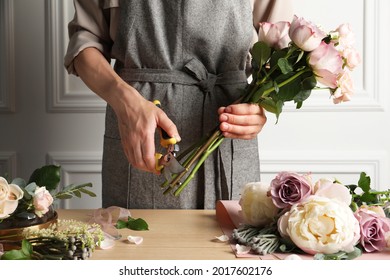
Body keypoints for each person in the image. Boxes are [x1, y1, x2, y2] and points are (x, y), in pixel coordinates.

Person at [64, 0, 293, 209]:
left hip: (228, 132)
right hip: (140, 126)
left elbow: (284, 54)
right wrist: (125, 100)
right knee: (137, 243)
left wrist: (260, 106)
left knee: (231, 244)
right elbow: (85, 41)